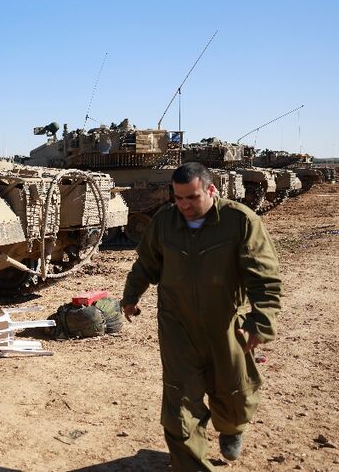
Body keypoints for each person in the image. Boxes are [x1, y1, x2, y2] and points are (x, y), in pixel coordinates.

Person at [121, 162, 282, 470]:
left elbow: (264, 278)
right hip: (177, 326)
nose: (184, 206)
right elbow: (145, 264)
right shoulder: (164, 222)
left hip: (224, 323)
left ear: (211, 190)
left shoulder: (239, 221)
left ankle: (232, 428)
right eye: (178, 198)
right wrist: (131, 297)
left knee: (234, 392)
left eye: (192, 198)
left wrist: (261, 321)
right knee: (179, 405)